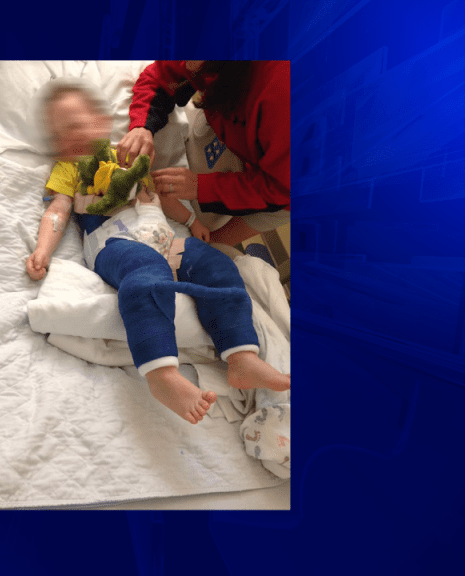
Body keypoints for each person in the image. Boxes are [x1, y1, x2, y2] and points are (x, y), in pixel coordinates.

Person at [26, 78, 290, 425]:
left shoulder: (128, 158)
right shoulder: (69, 169)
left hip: (164, 237)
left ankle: (241, 355)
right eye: (59, 135)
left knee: (216, 266)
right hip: (115, 242)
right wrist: (43, 250)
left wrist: (192, 221)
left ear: (101, 122)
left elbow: (161, 197)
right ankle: (161, 373)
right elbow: (58, 210)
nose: (69, 138)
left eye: (76, 124)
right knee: (146, 276)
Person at [117, 61, 291, 246]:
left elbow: (283, 190)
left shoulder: (284, 92)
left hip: (288, 185)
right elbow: (160, 74)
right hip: (238, 115)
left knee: (213, 245)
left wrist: (201, 188)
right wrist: (142, 126)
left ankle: (213, 245)